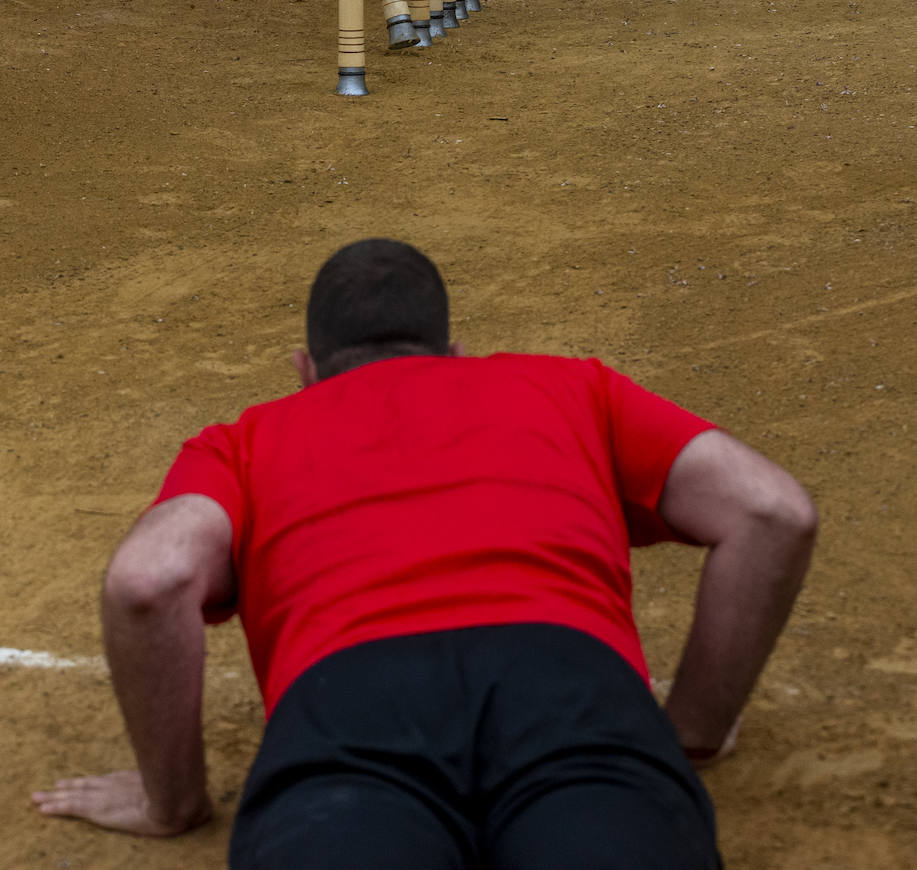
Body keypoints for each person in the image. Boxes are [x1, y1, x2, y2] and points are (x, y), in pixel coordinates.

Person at [33, 238, 817, 868]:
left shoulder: (245, 441)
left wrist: (171, 803)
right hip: (569, 691)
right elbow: (770, 511)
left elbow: (149, 579)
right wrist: (692, 731)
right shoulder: (570, 387)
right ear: (454, 350)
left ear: (304, 371)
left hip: (348, 715)